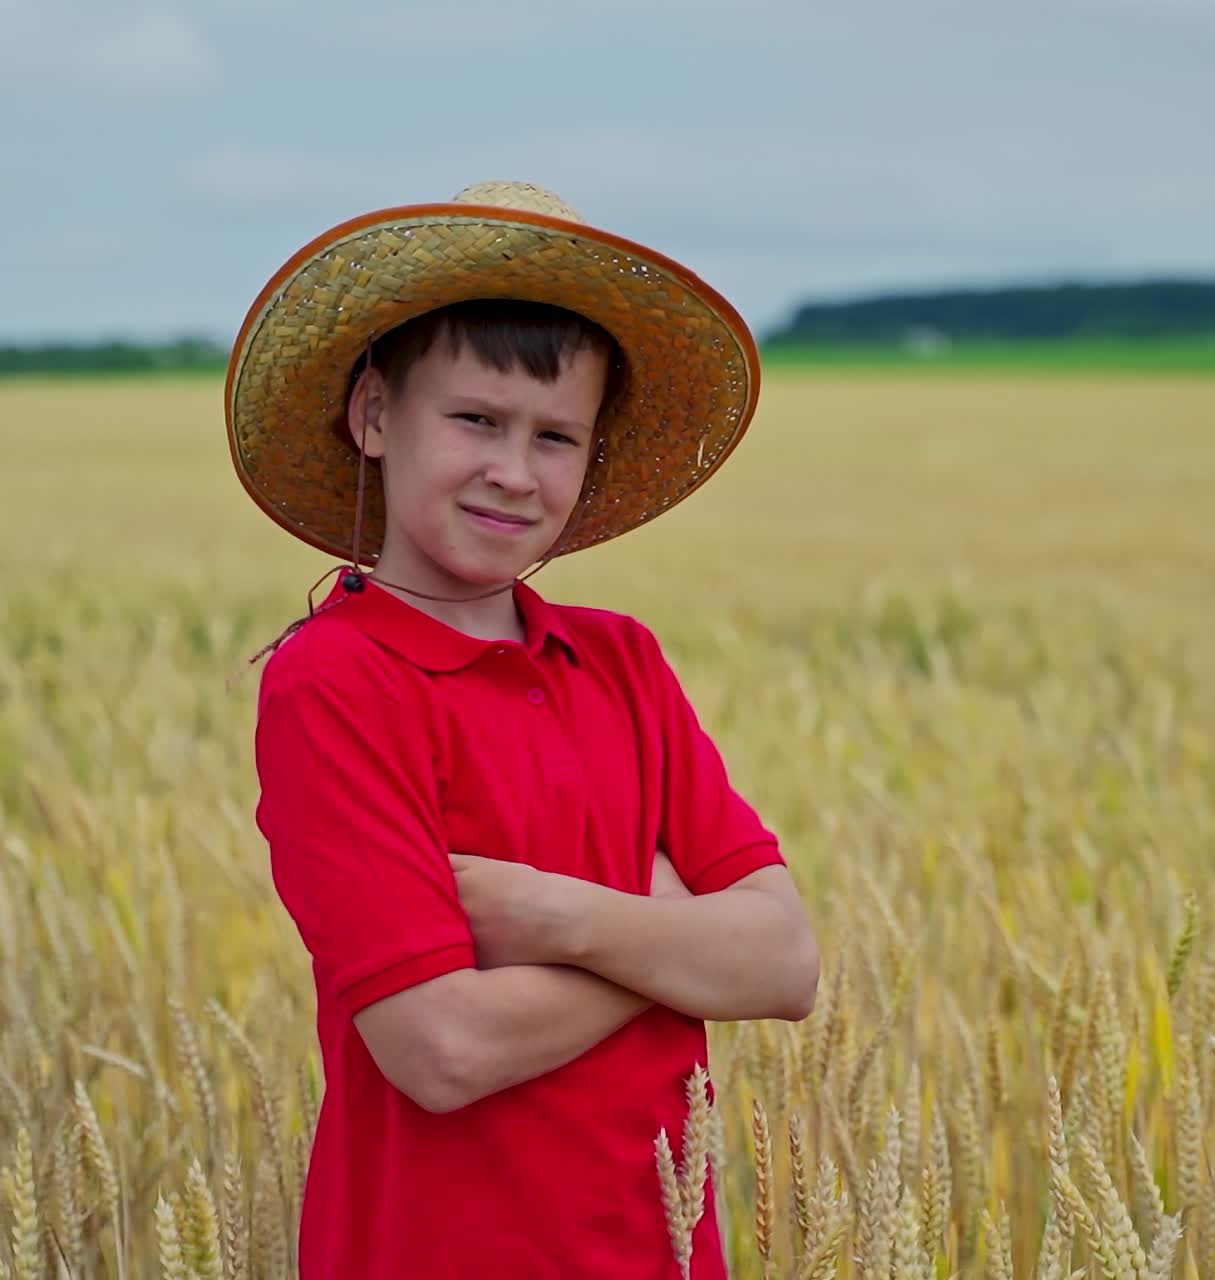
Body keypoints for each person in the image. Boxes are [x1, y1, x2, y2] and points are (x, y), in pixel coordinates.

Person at [226, 180, 820, 1279]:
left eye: (556, 436)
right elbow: (440, 1048)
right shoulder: (334, 681)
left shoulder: (621, 660)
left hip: (659, 1252)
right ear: (372, 416)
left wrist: (551, 913)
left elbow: (784, 963)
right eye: (475, 420)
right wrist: (673, 935)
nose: (513, 470)